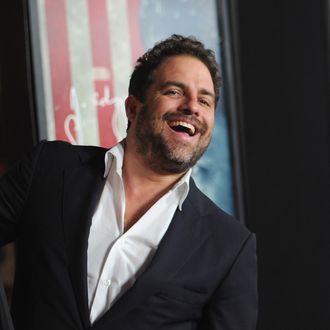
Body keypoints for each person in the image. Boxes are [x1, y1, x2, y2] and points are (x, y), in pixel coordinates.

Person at [0, 35, 257, 330]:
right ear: (134, 108)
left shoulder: (229, 246)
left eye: (204, 100)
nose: (192, 107)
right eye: (175, 91)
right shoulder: (49, 168)